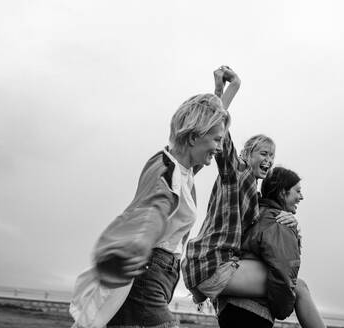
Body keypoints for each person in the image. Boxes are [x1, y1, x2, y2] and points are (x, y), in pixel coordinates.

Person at [182, 66, 325, 328]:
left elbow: (264, 228)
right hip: (211, 262)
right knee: (299, 287)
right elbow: (217, 131)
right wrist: (226, 89)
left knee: (296, 285)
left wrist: (291, 221)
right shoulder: (237, 171)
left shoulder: (253, 195)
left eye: (272, 155)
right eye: (263, 153)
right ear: (247, 153)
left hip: (216, 266)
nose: (268, 160)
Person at [89, 87, 237, 328]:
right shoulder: (166, 171)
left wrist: (224, 91)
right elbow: (150, 211)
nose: (220, 148)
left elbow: (210, 123)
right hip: (147, 272)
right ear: (193, 138)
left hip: (162, 272)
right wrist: (134, 245)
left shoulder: (184, 169)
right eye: (217, 140)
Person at [218, 166, 304, 328]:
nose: (301, 197)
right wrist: (283, 309)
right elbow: (284, 271)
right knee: (302, 287)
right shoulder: (279, 223)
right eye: (297, 191)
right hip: (254, 311)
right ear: (282, 193)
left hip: (228, 306)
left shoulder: (251, 212)